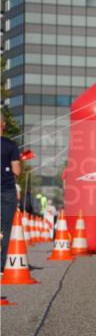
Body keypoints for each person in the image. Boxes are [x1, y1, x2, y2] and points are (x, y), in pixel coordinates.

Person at [1, 115, 22, 276]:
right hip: (7, 190)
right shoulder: (11, 145)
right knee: (8, 228)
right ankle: (3, 264)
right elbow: (17, 171)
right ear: (3, 125)